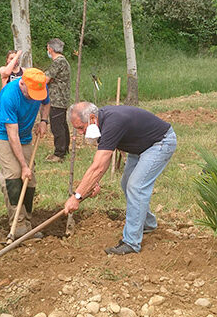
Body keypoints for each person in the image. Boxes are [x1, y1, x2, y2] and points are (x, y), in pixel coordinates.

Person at [64, 102, 177, 255]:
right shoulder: (100, 122)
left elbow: (97, 166)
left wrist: (77, 197)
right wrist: (93, 183)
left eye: (80, 128)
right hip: (140, 147)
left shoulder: (113, 123)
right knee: (126, 184)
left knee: (136, 186)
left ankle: (131, 243)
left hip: (160, 143)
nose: (80, 132)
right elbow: (103, 159)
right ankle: (147, 223)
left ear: (91, 118)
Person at [0, 68, 50, 238]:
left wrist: (44, 121)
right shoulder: (9, 95)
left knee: (30, 179)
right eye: (31, 94)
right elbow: (12, 135)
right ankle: (18, 225)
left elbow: (46, 102)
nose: (34, 97)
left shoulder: (39, 86)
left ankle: (27, 223)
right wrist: (23, 166)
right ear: (22, 83)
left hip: (24, 135)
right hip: (2, 134)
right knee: (15, 173)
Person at [44, 39, 71, 163]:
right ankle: (64, 149)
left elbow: (46, 79)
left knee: (57, 126)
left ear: (51, 49)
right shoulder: (62, 61)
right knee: (62, 124)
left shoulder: (58, 62)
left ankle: (59, 154)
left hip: (57, 99)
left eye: (48, 48)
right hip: (62, 98)